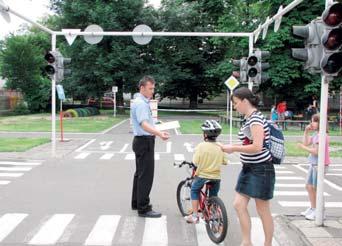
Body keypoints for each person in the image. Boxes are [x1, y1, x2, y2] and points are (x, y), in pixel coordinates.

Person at [220, 87, 275, 246]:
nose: (235, 107)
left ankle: (267, 244)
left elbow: (257, 147)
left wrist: (233, 148)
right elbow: (248, 143)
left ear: (245, 101)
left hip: (261, 168)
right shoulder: (250, 118)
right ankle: (247, 242)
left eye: (236, 103)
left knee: (263, 209)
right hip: (250, 167)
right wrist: (231, 146)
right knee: (238, 204)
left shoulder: (255, 119)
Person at [130, 75, 170, 218]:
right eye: (150, 88)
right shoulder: (141, 103)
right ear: (142, 88)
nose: (152, 91)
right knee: (146, 176)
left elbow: (148, 123)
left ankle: (136, 203)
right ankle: (144, 207)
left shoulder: (140, 101)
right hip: (144, 141)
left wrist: (157, 129)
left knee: (139, 174)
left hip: (140, 141)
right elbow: (144, 124)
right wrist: (159, 133)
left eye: (153, 88)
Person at [185, 120, 228, 223]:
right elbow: (225, 161)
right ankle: (212, 213)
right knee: (213, 196)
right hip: (216, 178)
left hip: (202, 176)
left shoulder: (201, 146)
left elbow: (195, 162)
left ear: (205, 134)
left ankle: (195, 216)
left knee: (194, 190)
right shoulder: (220, 146)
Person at [297, 113, 331, 220]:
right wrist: (306, 131)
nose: (312, 123)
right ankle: (313, 208)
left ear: (321, 123)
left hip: (319, 165)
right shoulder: (316, 134)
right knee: (309, 186)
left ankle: (320, 211)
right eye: (312, 121)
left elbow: (316, 152)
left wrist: (302, 148)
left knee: (317, 189)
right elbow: (306, 142)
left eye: (315, 121)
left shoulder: (322, 135)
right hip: (314, 164)